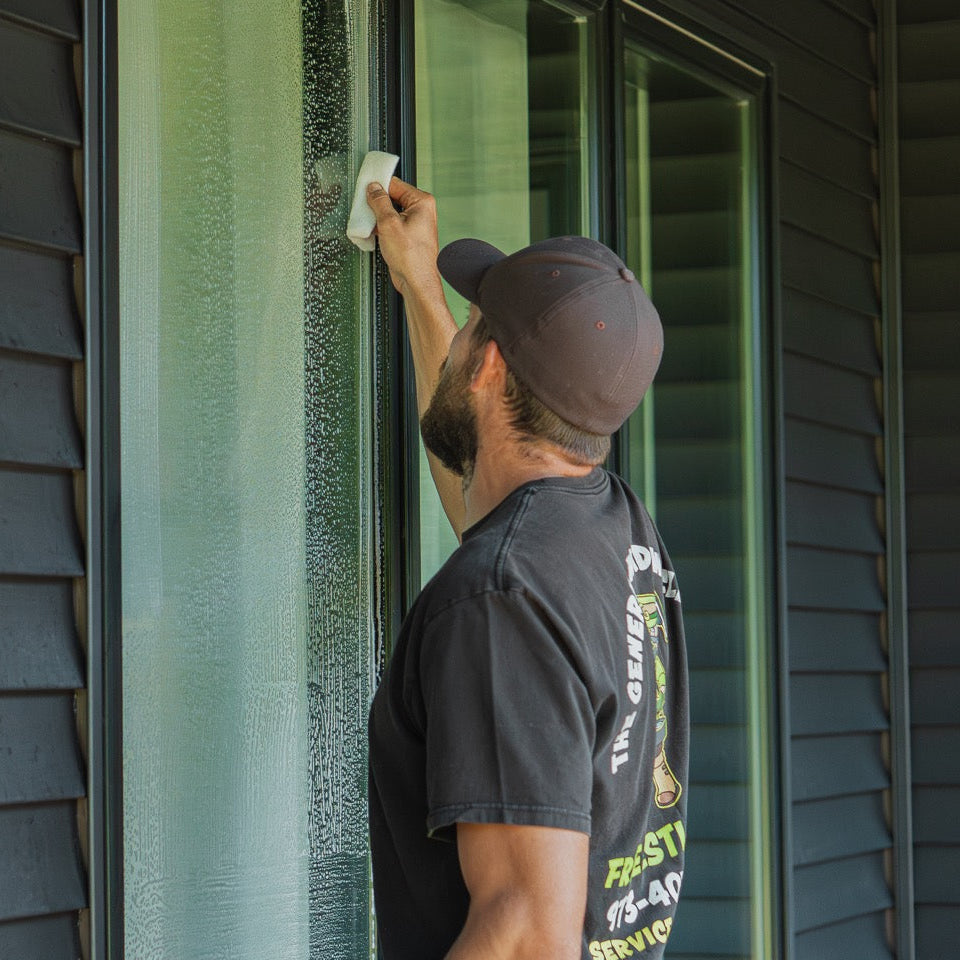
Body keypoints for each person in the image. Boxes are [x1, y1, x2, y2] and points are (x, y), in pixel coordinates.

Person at [365, 176, 688, 960]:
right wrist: (418, 288)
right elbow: (484, 501)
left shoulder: (501, 597)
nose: (461, 340)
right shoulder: (613, 531)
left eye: (472, 325)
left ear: (487, 367)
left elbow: (524, 936)